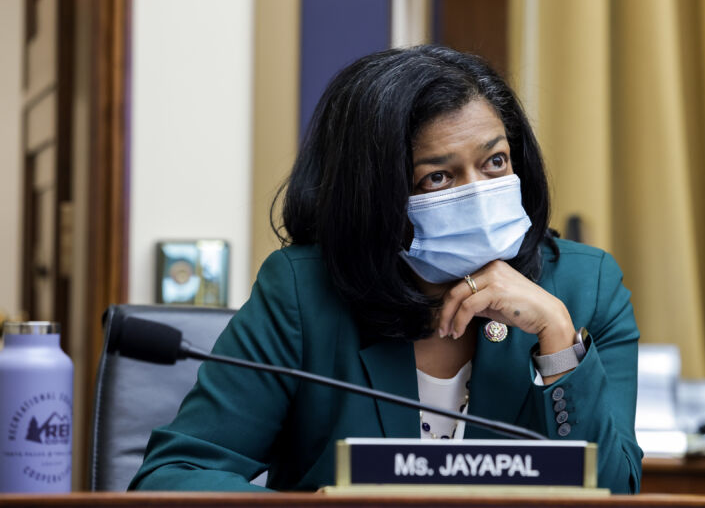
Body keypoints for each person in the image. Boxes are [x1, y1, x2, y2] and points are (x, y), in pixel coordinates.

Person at [130, 45, 642, 493]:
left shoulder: (583, 287)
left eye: (494, 162)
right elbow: (174, 476)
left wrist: (559, 343)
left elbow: (614, 492)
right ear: (374, 197)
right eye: (438, 177)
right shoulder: (303, 294)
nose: (478, 194)